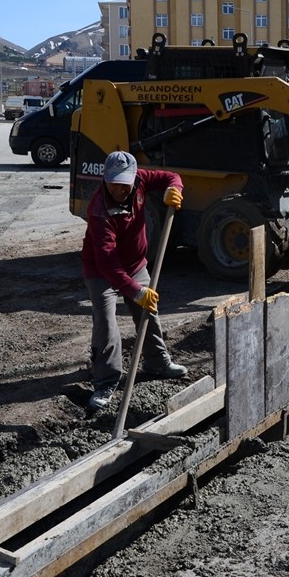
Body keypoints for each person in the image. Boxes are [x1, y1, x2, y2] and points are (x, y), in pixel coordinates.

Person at [82, 151, 187, 410]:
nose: (119, 188)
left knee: (148, 313)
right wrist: (135, 291)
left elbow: (172, 176)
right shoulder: (99, 212)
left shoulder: (140, 179)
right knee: (106, 324)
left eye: (124, 183)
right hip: (101, 271)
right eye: (113, 182)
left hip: (136, 264)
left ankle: (157, 362)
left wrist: (174, 189)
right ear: (105, 179)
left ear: (133, 178)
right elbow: (107, 263)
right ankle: (106, 381)